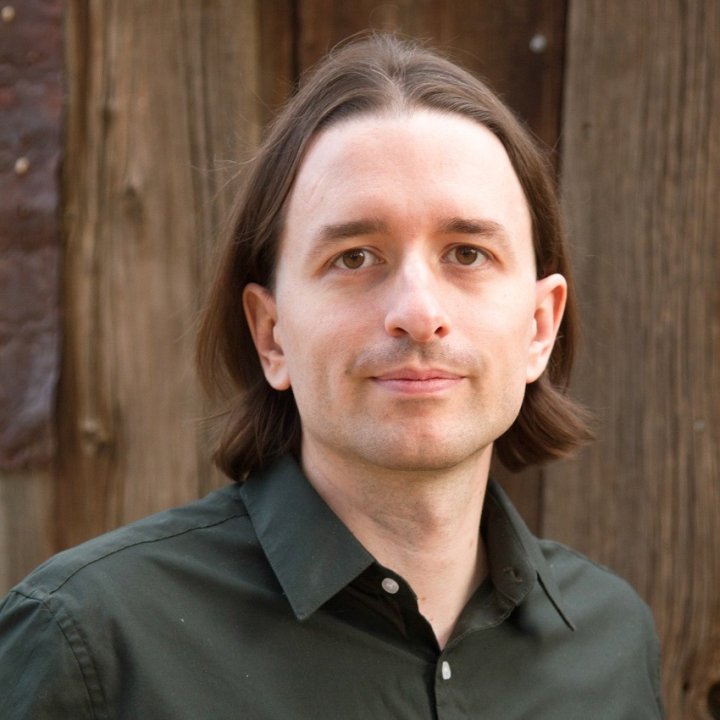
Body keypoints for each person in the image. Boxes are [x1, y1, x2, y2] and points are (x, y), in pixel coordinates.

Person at [0, 35, 664, 718]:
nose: (418, 314)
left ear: (539, 327)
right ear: (272, 333)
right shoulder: (92, 645)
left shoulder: (611, 644)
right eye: (354, 257)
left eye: (467, 253)